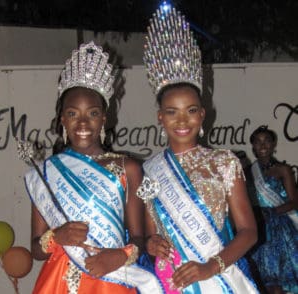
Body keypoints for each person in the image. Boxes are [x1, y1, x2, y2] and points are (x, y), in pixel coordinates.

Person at [136, 3, 259, 293]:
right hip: (171, 280)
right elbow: (149, 235)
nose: (182, 120)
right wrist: (152, 245)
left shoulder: (224, 162)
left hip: (218, 276)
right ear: (160, 117)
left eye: (190, 110)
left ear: (202, 115)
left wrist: (209, 267)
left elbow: (249, 232)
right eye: (172, 111)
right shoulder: (151, 169)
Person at [24, 41, 164, 293]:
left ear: (104, 119)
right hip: (60, 281)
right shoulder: (46, 172)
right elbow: (35, 249)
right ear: (62, 120)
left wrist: (120, 256)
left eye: (92, 113)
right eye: (73, 114)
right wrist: (56, 237)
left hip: (111, 276)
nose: (83, 122)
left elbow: (139, 239)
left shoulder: (128, 168)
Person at [246, 125, 298, 294]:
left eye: (267, 141)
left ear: (273, 144)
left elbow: (294, 202)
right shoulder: (247, 172)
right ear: (253, 145)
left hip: (280, 230)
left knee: (279, 285)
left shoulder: (283, 170)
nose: (263, 145)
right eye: (258, 141)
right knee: (261, 283)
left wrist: (270, 212)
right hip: (258, 229)